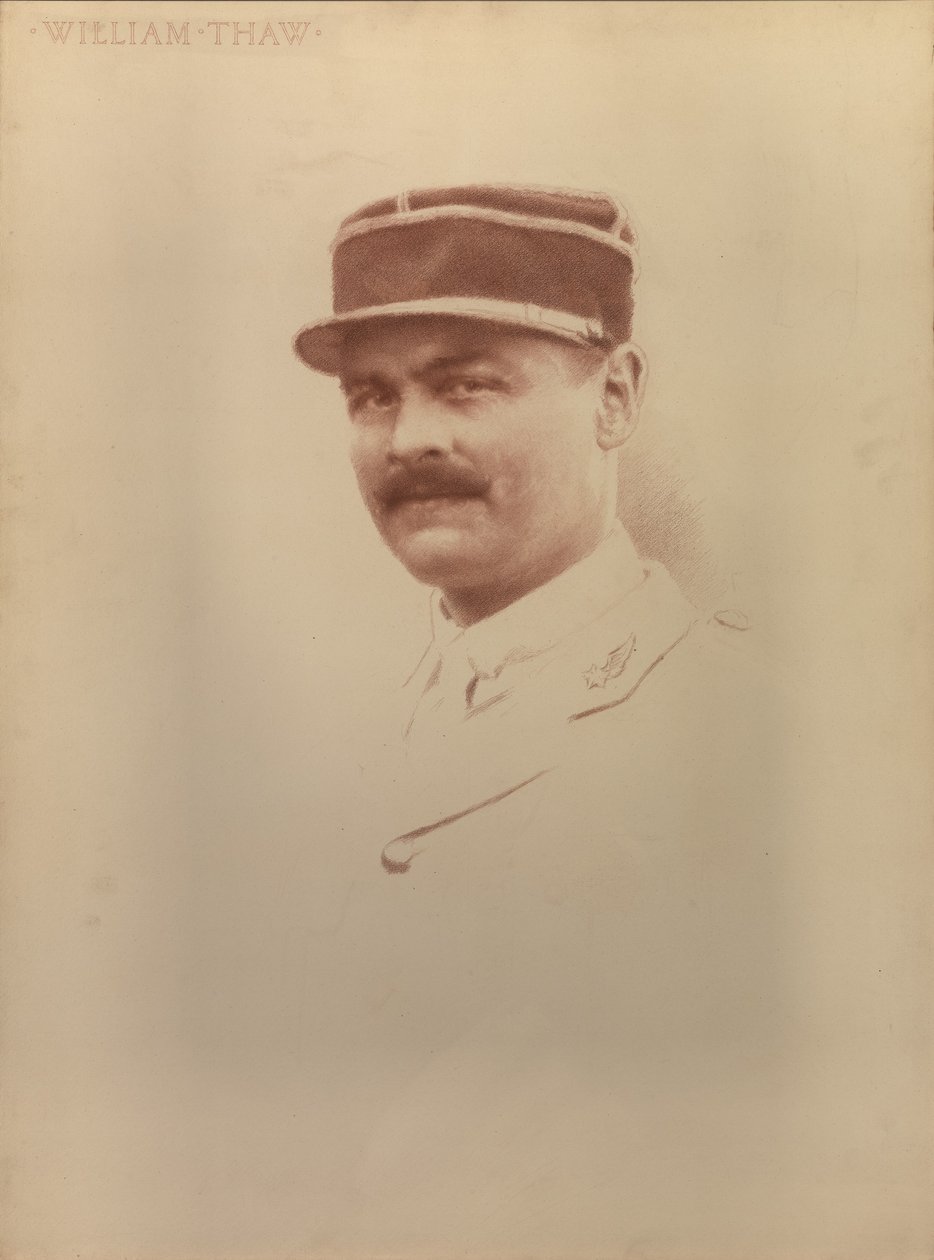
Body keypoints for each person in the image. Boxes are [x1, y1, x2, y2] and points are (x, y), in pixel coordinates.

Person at [290, 185, 792, 1253]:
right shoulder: (337, 732)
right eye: (371, 397)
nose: (410, 439)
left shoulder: (740, 736)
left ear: (615, 398)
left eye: (466, 386)